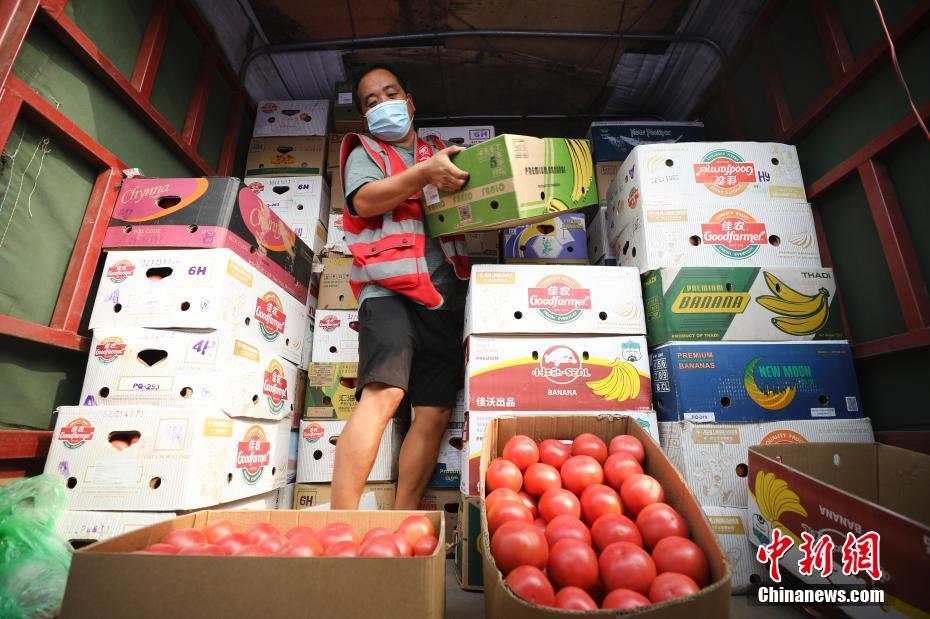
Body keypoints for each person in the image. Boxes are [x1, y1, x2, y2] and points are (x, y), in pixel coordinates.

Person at [330, 64, 471, 510]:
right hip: (387, 293)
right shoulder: (364, 153)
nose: (382, 104)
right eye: (371, 102)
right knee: (385, 392)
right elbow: (365, 201)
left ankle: (401, 517)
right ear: (365, 117)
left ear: (409, 102)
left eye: (390, 94)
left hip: (441, 294)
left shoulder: (440, 152)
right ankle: (340, 521)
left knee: (433, 410)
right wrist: (425, 173)